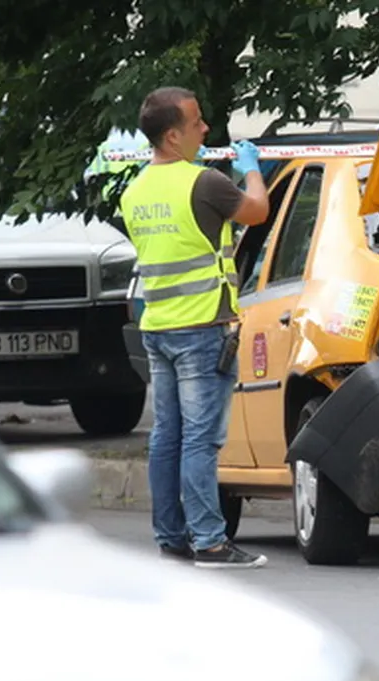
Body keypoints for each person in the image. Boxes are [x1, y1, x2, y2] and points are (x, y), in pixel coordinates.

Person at [119, 86, 271, 569]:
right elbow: (258, 211)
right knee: (201, 439)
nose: (206, 129)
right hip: (203, 328)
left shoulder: (135, 189)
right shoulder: (203, 181)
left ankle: (171, 537)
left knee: (166, 436)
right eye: (197, 122)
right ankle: (210, 541)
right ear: (171, 135)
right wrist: (251, 169)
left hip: (158, 326)